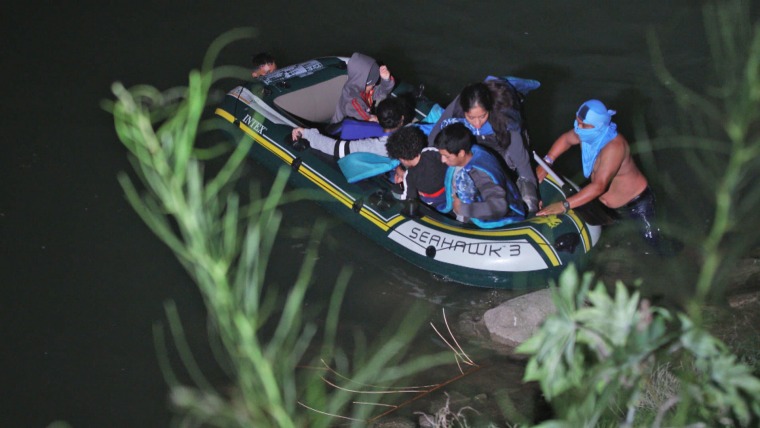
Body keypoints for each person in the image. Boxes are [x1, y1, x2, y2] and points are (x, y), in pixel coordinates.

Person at [535, 99, 660, 247]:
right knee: (608, 243)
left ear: (599, 126)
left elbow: (599, 186)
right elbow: (566, 140)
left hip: (635, 205)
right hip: (603, 203)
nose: (578, 128)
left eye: (584, 125)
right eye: (577, 122)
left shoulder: (614, 147)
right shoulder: (585, 133)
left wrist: (564, 205)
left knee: (653, 244)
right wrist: (548, 161)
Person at [427, 79, 539, 214]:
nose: (477, 123)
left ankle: (514, 86)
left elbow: (522, 162)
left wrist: (530, 197)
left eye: (482, 116)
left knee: (511, 161)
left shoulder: (506, 117)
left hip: (500, 138)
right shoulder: (458, 105)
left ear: (489, 108)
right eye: (471, 117)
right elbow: (434, 135)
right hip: (476, 139)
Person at [434, 122, 526, 228]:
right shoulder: (470, 153)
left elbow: (499, 207)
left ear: (461, 153)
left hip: (484, 222)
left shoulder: (480, 174)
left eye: (446, 156)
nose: (442, 160)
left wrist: (463, 208)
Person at [292, 97, 405, 159]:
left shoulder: (372, 146)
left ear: (379, 120)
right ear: (402, 119)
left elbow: (334, 147)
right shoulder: (415, 133)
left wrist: (307, 133)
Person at [385, 126, 448, 211]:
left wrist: (396, 189)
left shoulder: (409, 176)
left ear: (403, 159)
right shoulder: (430, 152)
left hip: (433, 202)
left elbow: (407, 197)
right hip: (448, 190)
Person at [330, 52, 395, 124]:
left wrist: (386, 80)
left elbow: (382, 92)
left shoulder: (365, 88)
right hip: (339, 131)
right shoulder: (351, 100)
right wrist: (372, 118)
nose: (374, 85)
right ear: (364, 81)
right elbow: (365, 121)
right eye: (372, 83)